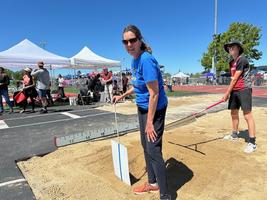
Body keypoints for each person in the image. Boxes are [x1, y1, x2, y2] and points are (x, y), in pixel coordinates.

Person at [113, 25, 170, 200]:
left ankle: (166, 195)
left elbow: (154, 93)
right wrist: (122, 95)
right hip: (142, 108)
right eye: (125, 41)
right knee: (145, 145)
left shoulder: (146, 60)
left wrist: (150, 122)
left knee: (153, 149)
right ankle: (152, 183)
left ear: (139, 40)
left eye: (132, 40)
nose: (129, 44)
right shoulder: (134, 60)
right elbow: (138, 85)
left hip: (156, 109)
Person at [222, 40, 256, 153]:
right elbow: (233, 79)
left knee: (247, 115)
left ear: (238, 48)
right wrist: (230, 92)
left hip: (244, 90)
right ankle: (234, 134)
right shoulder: (231, 62)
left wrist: (226, 93)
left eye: (233, 47)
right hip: (235, 91)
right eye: (229, 48)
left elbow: (236, 78)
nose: (231, 49)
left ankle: (252, 142)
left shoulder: (242, 59)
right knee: (234, 113)